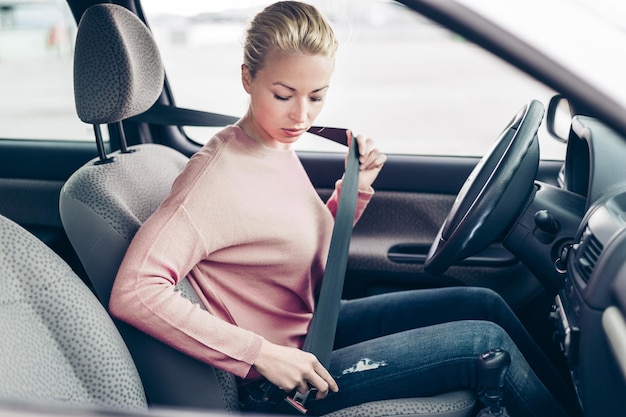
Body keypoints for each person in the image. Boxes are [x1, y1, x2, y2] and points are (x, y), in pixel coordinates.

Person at [109, 2, 581, 416]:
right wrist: (261, 355)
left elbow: (302, 244)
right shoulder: (212, 179)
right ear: (247, 78)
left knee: (485, 304)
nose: (301, 116)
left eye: (317, 97)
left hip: (318, 328)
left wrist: (356, 188)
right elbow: (134, 290)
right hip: (282, 381)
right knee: (485, 344)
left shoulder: (273, 146)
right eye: (283, 94)